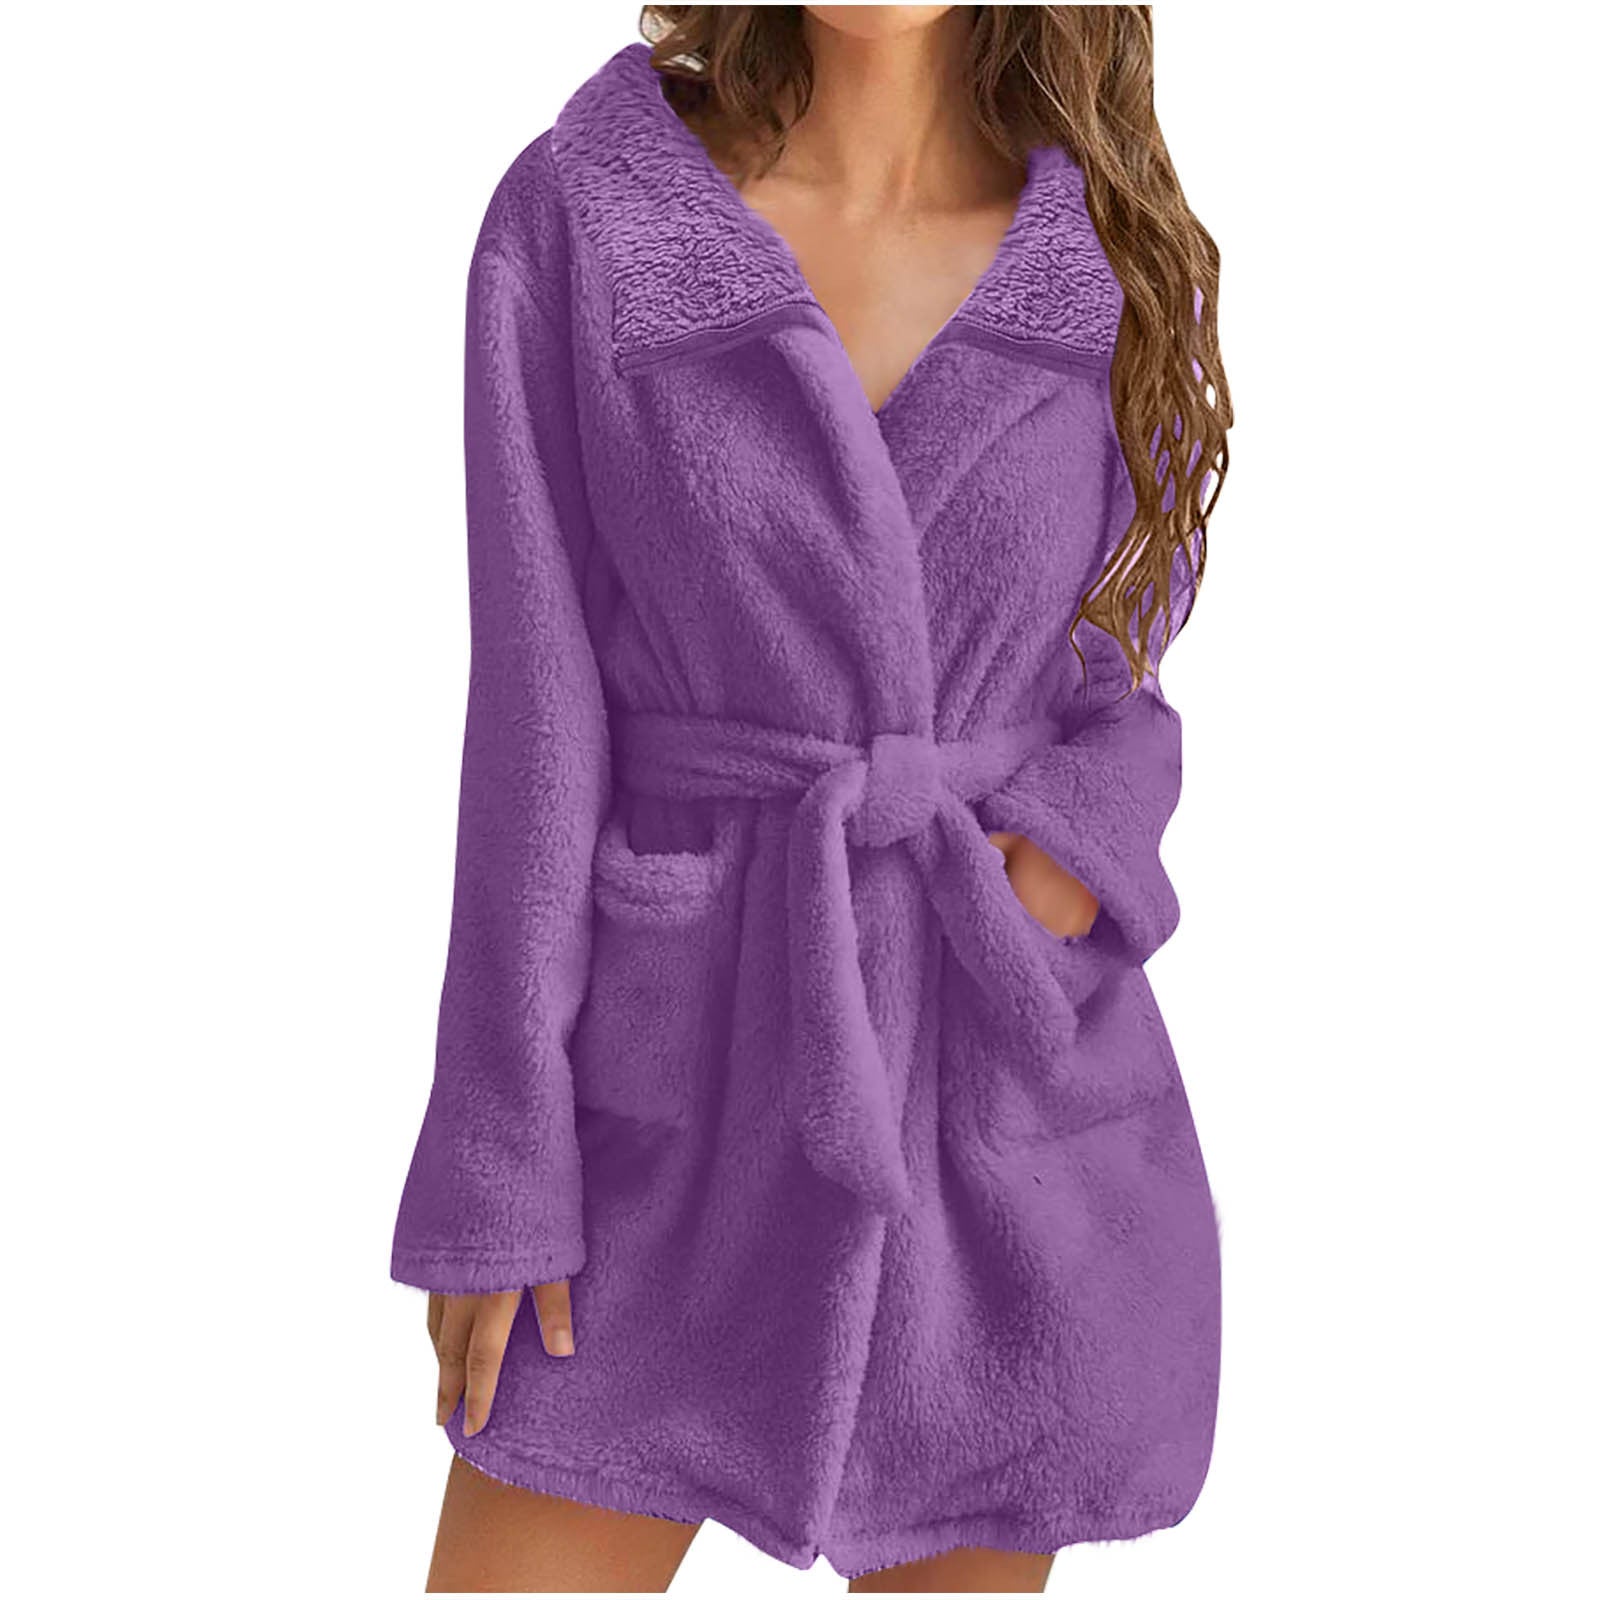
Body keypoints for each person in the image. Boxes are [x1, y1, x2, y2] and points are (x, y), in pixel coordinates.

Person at [391, 6, 1231, 1592]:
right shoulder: (592, 217)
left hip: (993, 1112)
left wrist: (1073, 852)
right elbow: (532, 719)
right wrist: (501, 1159)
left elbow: (1123, 665)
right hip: (672, 1087)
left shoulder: (1109, 259)